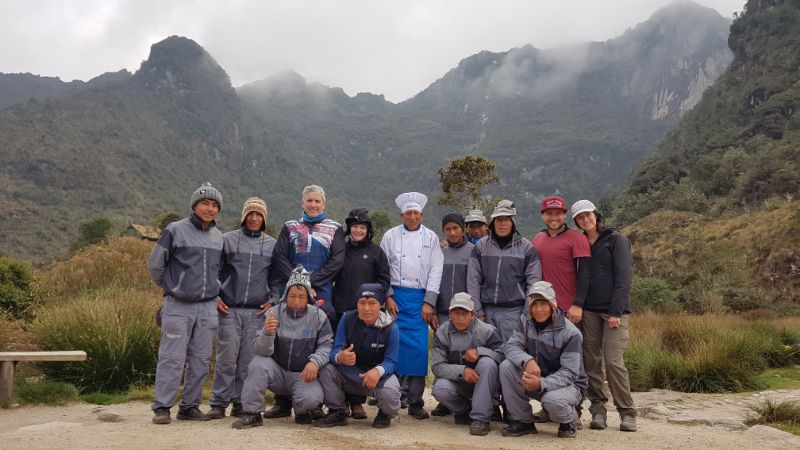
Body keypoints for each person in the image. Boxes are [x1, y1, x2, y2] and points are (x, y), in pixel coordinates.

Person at [147, 182, 225, 424]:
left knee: (201, 359)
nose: (210, 209)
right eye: (205, 203)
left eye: (214, 205)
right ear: (194, 205)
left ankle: (189, 407)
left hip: (207, 307)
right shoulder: (175, 230)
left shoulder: (218, 237)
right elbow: (155, 265)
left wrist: (216, 292)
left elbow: (219, 271)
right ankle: (162, 407)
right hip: (178, 305)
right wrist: (173, 287)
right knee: (172, 358)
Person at [268, 184, 345, 418]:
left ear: (324, 204)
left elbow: (338, 259)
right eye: (309, 201)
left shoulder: (335, 228)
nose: (313, 205)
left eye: (317, 202)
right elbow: (279, 255)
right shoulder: (289, 227)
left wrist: (310, 281)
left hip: (321, 291)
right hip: (291, 291)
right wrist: (297, 279)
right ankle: (282, 401)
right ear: (302, 203)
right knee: (285, 337)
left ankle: (316, 398)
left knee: (319, 337)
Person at [232, 267, 333, 429]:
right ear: (285, 296)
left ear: (308, 297)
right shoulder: (273, 313)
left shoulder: (318, 316)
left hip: (302, 374)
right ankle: (252, 413)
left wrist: (315, 362)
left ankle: (302, 411)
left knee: (310, 401)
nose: (296, 301)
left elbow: (326, 345)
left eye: (301, 296)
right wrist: (267, 332)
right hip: (276, 371)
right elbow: (260, 351)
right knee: (257, 363)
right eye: (292, 296)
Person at [208, 197, 276, 419]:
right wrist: (216, 296)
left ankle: (240, 401)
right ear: (244, 216)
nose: (254, 218)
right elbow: (214, 271)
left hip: (257, 311)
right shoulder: (227, 240)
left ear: (264, 218)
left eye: (259, 215)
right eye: (250, 214)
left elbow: (277, 278)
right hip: (229, 309)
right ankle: (218, 402)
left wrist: (273, 299)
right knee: (226, 358)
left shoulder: (272, 245)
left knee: (248, 360)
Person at [571, 200, 637, 432]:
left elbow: (624, 277)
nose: (585, 219)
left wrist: (615, 311)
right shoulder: (581, 242)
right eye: (580, 217)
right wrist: (578, 304)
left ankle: (627, 413)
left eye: (588, 215)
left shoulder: (616, 239)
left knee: (613, 362)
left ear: (596, 215)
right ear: (577, 222)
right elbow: (582, 277)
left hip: (613, 313)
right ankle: (598, 410)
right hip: (588, 311)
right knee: (591, 361)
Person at [380, 191, 443, 420]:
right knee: (393, 348)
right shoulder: (389, 236)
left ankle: (416, 401)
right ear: (402, 215)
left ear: (422, 215)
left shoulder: (431, 238)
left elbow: (436, 270)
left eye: (416, 212)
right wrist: (387, 296)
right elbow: (382, 268)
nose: (412, 216)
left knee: (417, 350)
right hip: (395, 298)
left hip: (419, 301)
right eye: (408, 213)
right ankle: (393, 398)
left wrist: (429, 302)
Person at [499, 281, 588, 439]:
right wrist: (528, 361)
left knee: (552, 401)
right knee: (506, 367)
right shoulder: (525, 322)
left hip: (569, 385)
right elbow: (510, 347)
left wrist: (541, 384)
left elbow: (570, 373)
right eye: (534, 304)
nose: (538, 309)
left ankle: (569, 420)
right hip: (538, 377)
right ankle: (523, 422)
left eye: (543, 304)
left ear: (553, 305)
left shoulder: (571, 333)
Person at [312, 283, 401, 429]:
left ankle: (385, 413)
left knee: (391, 394)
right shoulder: (347, 318)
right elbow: (335, 350)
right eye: (362, 303)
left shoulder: (391, 327)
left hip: (376, 378)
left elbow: (392, 362)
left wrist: (378, 371)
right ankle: (338, 411)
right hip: (351, 374)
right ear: (357, 303)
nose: (366, 308)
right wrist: (340, 357)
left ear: (381, 305)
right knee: (326, 369)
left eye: (372, 303)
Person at [330, 207, 391, 419]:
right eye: (354, 226)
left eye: (362, 227)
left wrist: (373, 300)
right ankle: (341, 403)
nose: (357, 230)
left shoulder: (376, 252)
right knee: (342, 355)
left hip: (364, 314)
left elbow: (384, 280)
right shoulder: (340, 249)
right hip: (340, 310)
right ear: (349, 228)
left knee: (360, 355)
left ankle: (357, 403)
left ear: (368, 229)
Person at [467, 199, 541, 342]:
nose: (502, 224)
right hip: (486, 312)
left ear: (513, 222)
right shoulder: (482, 246)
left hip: (514, 312)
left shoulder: (526, 248)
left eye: (507, 219)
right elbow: (473, 280)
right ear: (492, 222)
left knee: (510, 357)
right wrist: (477, 310)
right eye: (498, 220)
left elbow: (533, 283)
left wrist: (526, 315)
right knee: (486, 357)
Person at [431, 293, 504, 436]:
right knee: (439, 389)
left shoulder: (487, 330)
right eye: (456, 313)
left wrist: (480, 351)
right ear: (450, 313)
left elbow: (502, 356)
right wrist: (462, 370)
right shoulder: (442, 332)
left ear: (473, 315)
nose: (460, 318)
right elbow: (437, 366)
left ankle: (481, 418)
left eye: (465, 313)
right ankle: (465, 410)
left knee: (488, 363)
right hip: (458, 382)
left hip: (484, 383)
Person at [430, 212, 474, 418]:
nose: (453, 232)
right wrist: (433, 308)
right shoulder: (438, 252)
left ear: (463, 228)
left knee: (469, 355)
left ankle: (474, 398)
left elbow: (476, 283)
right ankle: (447, 402)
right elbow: (433, 282)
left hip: (467, 315)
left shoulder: (473, 252)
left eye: (456, 228)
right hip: (443, 312)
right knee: (445, 355)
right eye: (448, 229)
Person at [531, 195, 591, 323]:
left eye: (558, 213)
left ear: (564, 215)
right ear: (543, 216)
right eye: (549, 213)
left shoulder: (577, 239)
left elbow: (585, 274)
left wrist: (578, 304)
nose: (553, 217)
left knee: (571, 342)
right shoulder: (537, 238)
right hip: (544, 309)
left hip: (569, 309)